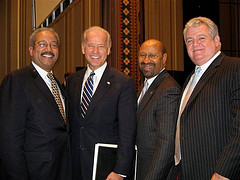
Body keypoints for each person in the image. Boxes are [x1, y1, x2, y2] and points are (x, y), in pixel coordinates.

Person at [173, 16, 240, 180]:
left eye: (201, 38)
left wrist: (224, 171)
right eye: (189, 40)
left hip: (218, 172)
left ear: (217, 40)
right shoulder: (190, 79)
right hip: (188, 171)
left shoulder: (234, 67)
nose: (195, 45)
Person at [0, 27, 71, 179]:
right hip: (34, 173)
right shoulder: (17, 80)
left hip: (60, 170)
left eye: (53, 45)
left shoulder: (58, 84)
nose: (49, 49)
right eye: (42, 44)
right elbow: (9, 140)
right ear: (31, 50)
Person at [67, 26, 137, 180]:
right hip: (74, 166)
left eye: (101, 46)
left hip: (105, 168)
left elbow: (127, 131)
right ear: (83, 48)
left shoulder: (123, 83)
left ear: (109, 49)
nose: (95, 51)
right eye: (91, 45)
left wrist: (120, 170)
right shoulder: (72, 81)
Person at [136, 39, 181, 180]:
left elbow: (166, 145)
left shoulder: (169, 89)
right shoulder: (144, 85)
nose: (146, 60)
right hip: (140, 167)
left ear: (164, 58)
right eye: (142, 55)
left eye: (153, 56)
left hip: (153, 172)